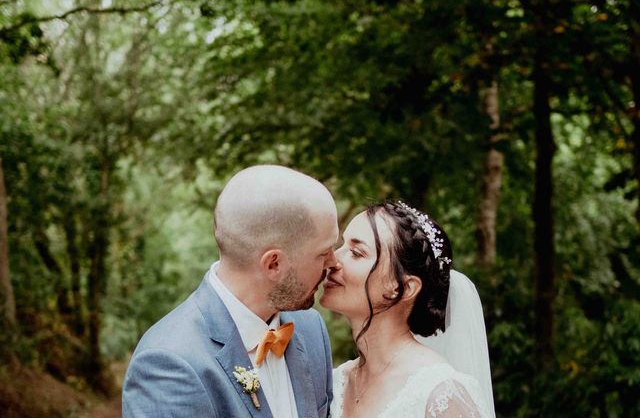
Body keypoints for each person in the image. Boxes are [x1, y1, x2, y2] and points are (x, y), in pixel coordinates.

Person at [122, 165, 339, 417]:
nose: (334, 262)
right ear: (274, 264)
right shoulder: (169, 366)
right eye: (323, 253)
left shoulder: (311, 329)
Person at [321, 201, 495, 418]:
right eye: (342, 246)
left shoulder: (439, 393)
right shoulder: (336, 382)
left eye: (356, 252)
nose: (333, 260)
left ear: (402, 288)